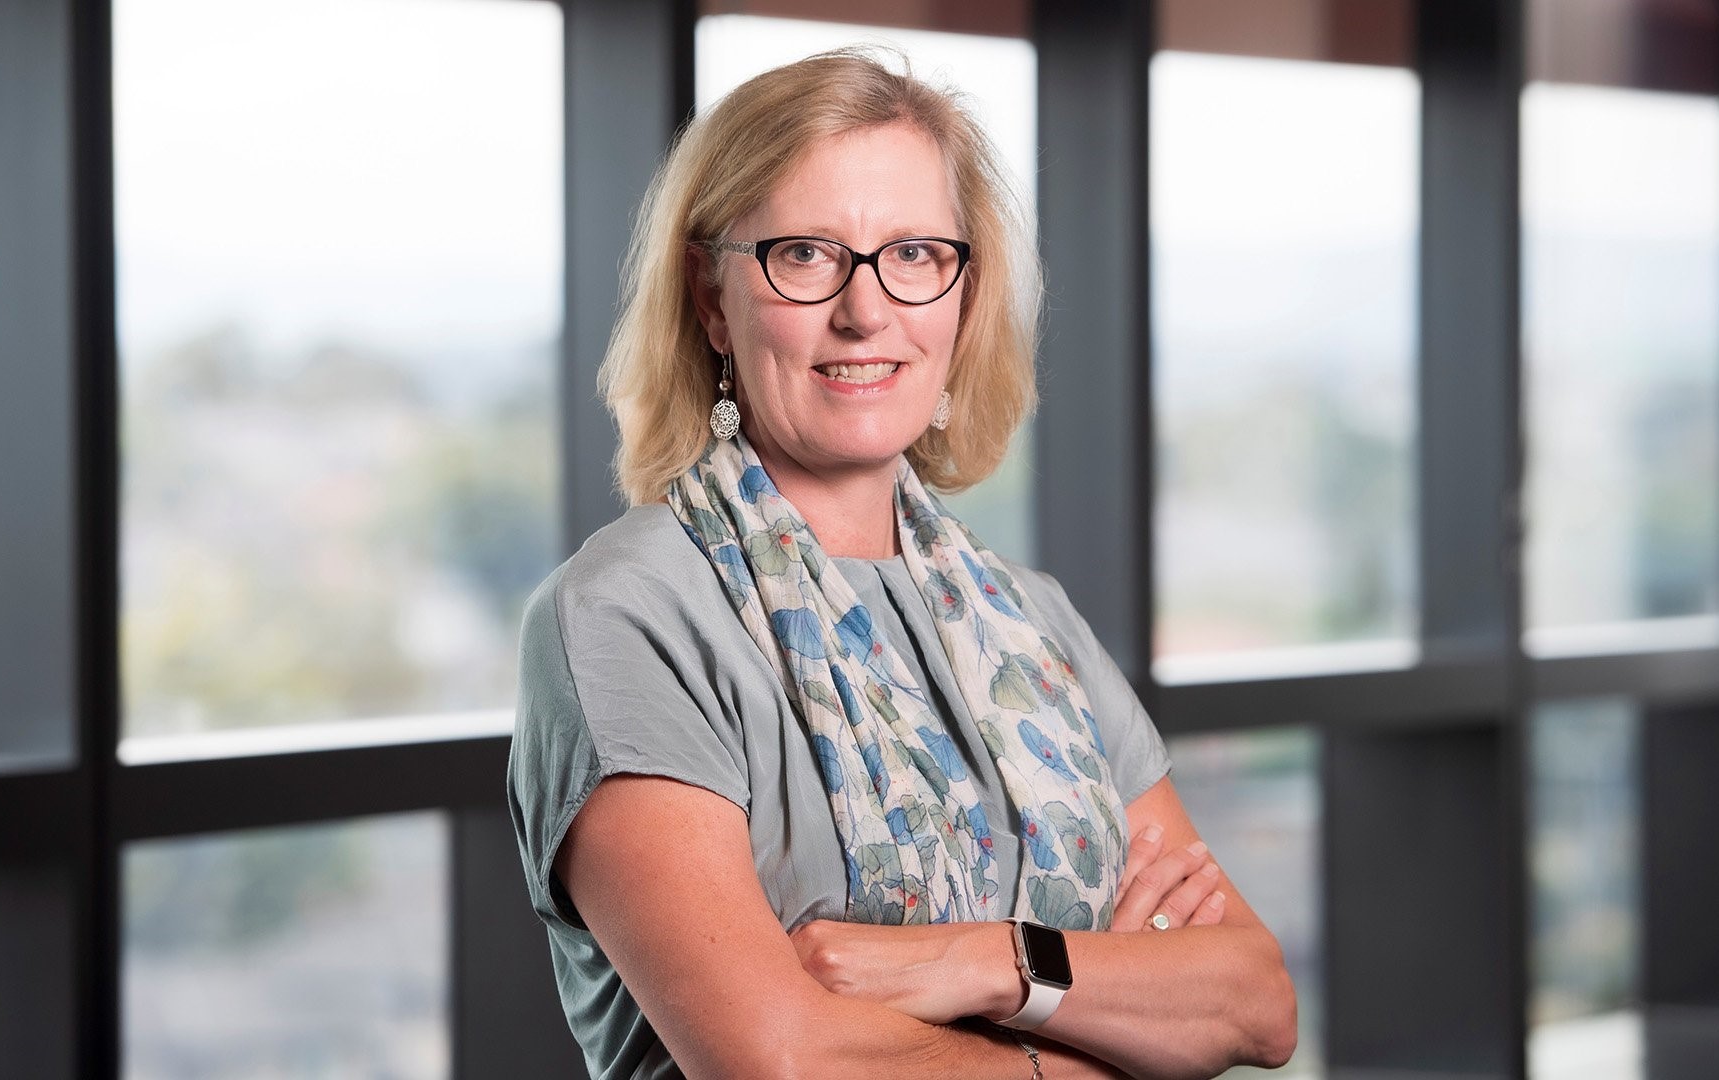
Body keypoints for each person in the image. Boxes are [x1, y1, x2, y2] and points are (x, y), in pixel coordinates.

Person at [509, 48, 1296, 1080]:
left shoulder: (1033, 623)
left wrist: (986, 965)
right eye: (806, 255)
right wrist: (1110, 1035)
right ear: (710, 297)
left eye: (916, 254)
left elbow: (1254, 1001)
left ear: (965, 294)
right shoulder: (628, 619)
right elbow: (783, 1064)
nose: (866, 310)